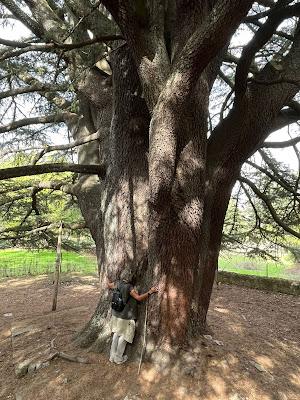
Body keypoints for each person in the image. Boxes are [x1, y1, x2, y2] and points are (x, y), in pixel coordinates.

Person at [107, 269, 158, 364]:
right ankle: (118, 358)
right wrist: (150, 292)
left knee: (116, 334)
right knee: (124, 336)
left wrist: (107, 277)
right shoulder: (129, 287)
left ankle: (112, 356)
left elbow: (108, 285)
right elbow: (138, 297)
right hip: (126, 316)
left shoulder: (117, 283)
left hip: (116, 314)